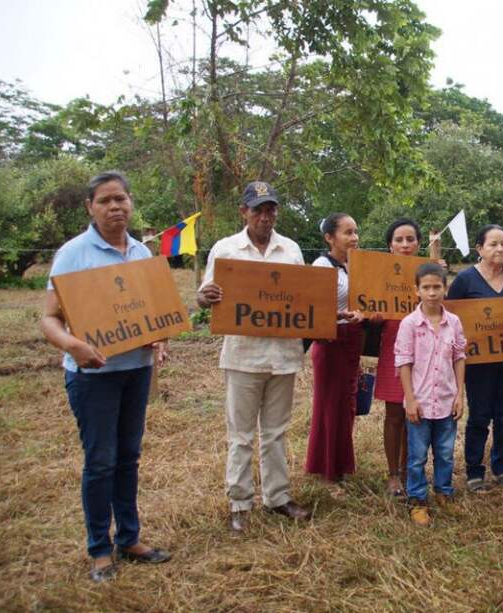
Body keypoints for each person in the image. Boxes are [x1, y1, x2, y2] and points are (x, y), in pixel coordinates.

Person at [41, 170, 172, 582]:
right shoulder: (73, 254)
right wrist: (72, 345)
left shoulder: (142, 254)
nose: (115, 207)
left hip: (136, 372)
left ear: (131, 203)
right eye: (105, 201)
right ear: (90, 207)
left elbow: (156, 316)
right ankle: (100, 549)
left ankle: (129, 538)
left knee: (128, 458)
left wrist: (160, 340)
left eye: (121, 199)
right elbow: (48, 318)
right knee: (100, 462)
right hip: (92, 378)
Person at [198, 181, 311, 532]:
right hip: (243, 354)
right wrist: (208, 296)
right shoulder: (226, 249)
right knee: (241, 434)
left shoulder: (290, 249)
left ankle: (278, 497)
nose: (265, 216)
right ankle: (239, 503)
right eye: (258, 209)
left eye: (271, 209)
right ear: (244, 212)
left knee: (276, 431)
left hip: (283, 354)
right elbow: (204, 296)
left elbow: (305, 300)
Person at [447, 224, 503, 492]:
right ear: (479, 249)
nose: (500, 249)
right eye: (493, 244)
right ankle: (474, 471)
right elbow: (450, 318)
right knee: (480, 415)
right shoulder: (464, 281)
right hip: (477, 364)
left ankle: (502, 468)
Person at [374, 218, 448, 497]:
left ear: (418, 243)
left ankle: (411, 471)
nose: (405, 245)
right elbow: (365, 309)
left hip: (427, 352)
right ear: (389, 245)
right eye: (399, 240)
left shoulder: (429, 274)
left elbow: (444, 309)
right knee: (394, 413)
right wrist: (373, 319)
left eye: (410, 239)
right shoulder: (377, 273)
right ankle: (394, 474)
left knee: (415, 415)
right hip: (394, 347)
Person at [395, 263, 466, 525]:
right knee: (417, 456)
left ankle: (443, 492)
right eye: (426, 287)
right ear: (417, 291)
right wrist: (410, 399)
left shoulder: (454, 322)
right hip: (421, 403)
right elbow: (403, 362)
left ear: (445, 289)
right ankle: (416, 499)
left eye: (437, 287)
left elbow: (459, 357)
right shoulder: (410, 324)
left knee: (445, 452)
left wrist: (460, 394)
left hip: (447, 401)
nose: (432, 292)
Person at [305, 213, 365, 492]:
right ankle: (328, 472)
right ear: (329, 238)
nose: (354, 238)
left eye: (355, 232)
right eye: (347, 232)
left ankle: (340, 465)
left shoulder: (357, 265)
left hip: (353, 339)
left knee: (347, 405)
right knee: (330, 406)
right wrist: (339, 314)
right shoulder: (321, 265)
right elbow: (313, 307)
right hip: (330, 342)